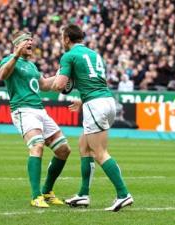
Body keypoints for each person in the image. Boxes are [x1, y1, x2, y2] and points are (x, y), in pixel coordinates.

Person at [51, 24, 133, 212]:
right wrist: (81, 99)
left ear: (66, 39)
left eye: (61, 37)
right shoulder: (94, 54)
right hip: (106, 100)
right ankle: (83, 194)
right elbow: (95, 82)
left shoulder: (68, 56)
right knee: (84, 146)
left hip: (95, 105)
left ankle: (123, 194)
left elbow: (60, 85)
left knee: (99, 152)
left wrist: (55, 82)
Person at [0, 31, 71, 208]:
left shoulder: (31, 66)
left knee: (64, 150)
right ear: (17, 45)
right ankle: (35, 195)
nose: (31, 42)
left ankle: (46, 191)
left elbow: (45, 85)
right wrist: (15, 56)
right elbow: (2, 75)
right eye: (26, 40)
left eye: (31, 40)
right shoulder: (9, 59)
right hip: (23, 110)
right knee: (37, 146)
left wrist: (64, 74)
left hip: (40, 110)